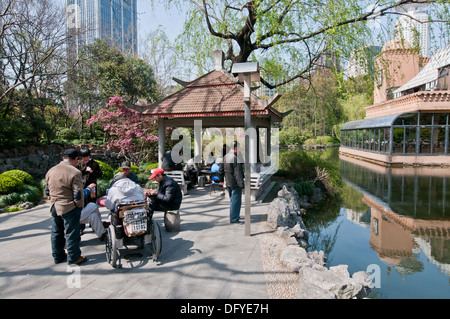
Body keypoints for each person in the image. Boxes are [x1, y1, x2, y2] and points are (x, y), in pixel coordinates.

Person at [45, 148, 87, 265]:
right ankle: (74, 257)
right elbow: (78, 193)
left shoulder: (51, 171)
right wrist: (79, 206)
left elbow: (47, 190)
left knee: (56, 231)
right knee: (72, 232)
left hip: (54, 205)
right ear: (76, 159)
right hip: (68, 206)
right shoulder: (74, 172)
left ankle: (58, 256)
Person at [224, 141, 244, 224]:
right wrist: (241, 185)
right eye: (239, 148)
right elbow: (238, 173)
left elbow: (221, 169)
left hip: (228, 181)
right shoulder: (235, 159)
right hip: (235, 183)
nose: (239, 150)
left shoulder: (225, 157)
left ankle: (234, 216)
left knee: (232, 201)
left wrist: (222, 180)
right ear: (236, 148)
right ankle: (234, 218)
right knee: (236, 202)